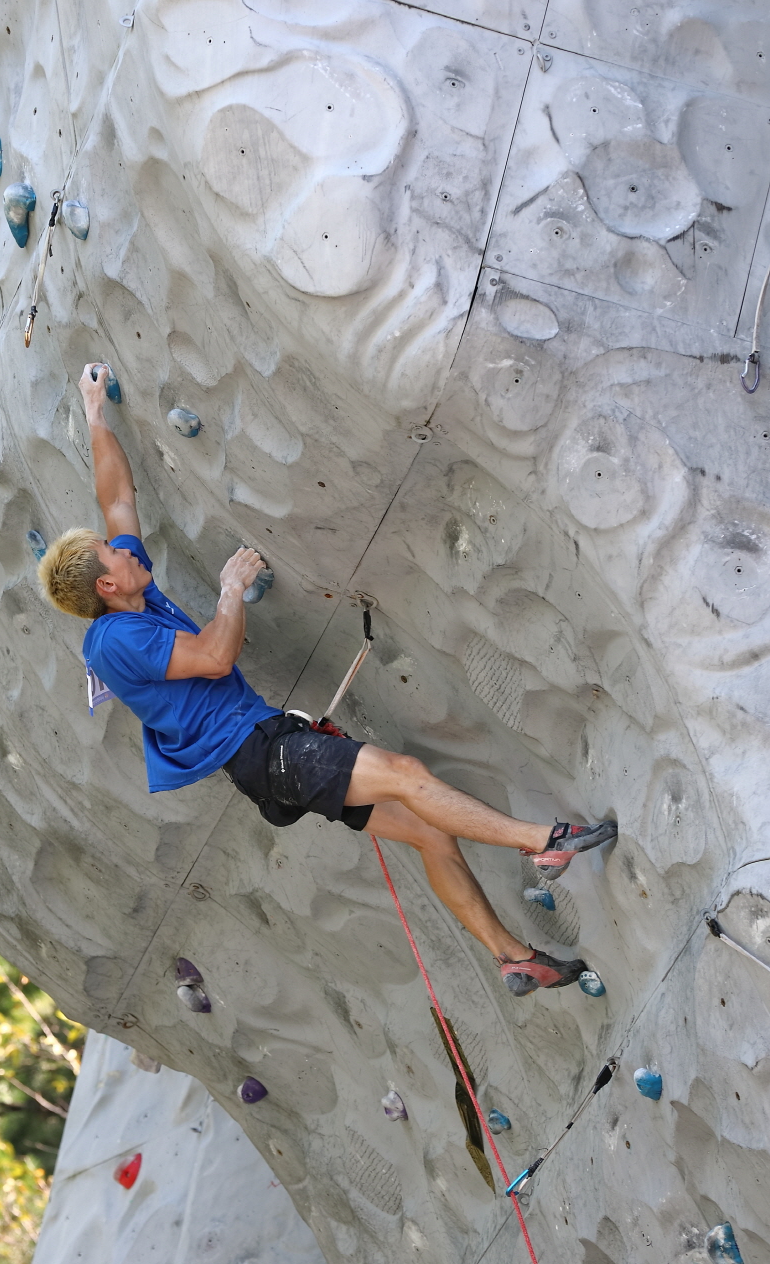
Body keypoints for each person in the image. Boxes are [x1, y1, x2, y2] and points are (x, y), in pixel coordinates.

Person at [38, 363, 617, 997]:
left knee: (427, 830)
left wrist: (95, 412)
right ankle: (541, 842)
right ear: (106, 584)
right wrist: (230, 588)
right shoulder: (115, 638)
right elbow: (214, 657)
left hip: (265, 755)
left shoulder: (132, 595)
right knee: (407, 774)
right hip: (262, 753)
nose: (123, 547)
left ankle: (512, 959)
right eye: (113, 553)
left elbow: (117, 498)